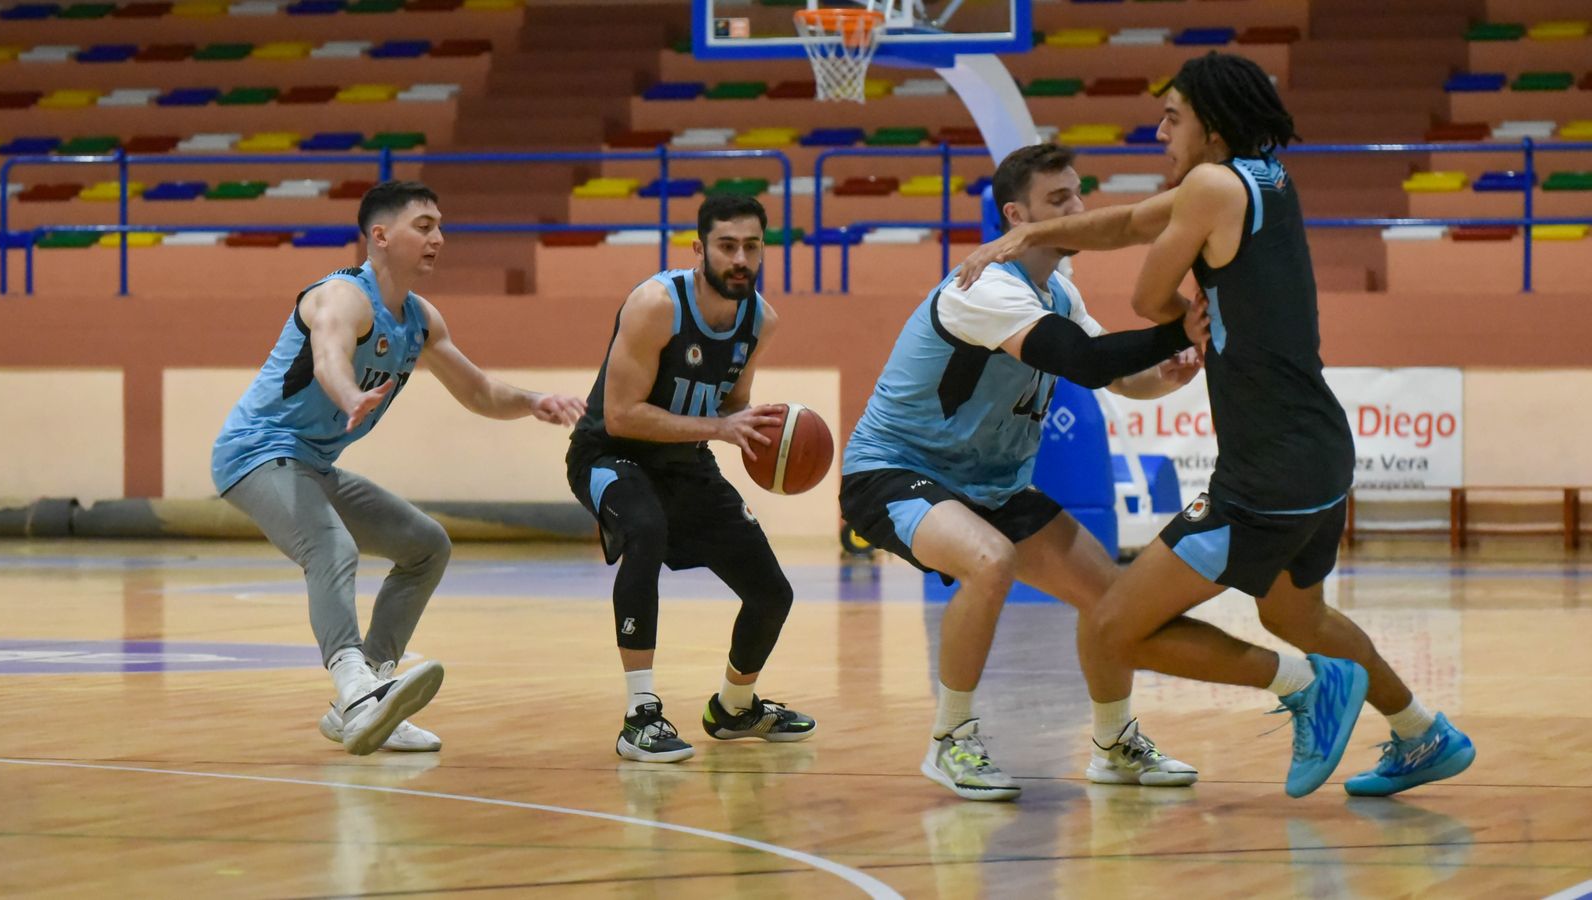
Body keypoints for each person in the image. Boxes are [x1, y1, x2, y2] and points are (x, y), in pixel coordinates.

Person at [957, 52, 1475, 798]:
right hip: (1318, 452)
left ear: (1213, 125)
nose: (1160, 129)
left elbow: (1146, 292)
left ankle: (1307, 688)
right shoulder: (1264, 179)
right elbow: (1133, 220)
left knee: (1111, 626)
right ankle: (1422, 731)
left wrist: (1185, 318)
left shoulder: (1207, 185)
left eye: (1173, 117)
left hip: (1264, 467)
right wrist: (1026, 240)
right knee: (1299, 613)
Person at [841, 143, 1210, 801]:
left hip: (992, 485)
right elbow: (1086, 361)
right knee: (989, 561)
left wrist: (1168, 375)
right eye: (1058, 201)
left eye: (1077, 195)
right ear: (1017, 215)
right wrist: (1182, 328)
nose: (1076, 209)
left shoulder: (1059, 290)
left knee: (1112, 598)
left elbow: (1118, 378)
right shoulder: (984, 286)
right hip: (895, 470)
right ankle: (949, 741)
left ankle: (1114, 743)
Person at [212, 180, 585, 755]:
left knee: (425, 546)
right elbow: (330, 355)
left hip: (310, 462)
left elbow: (480, 390)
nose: (439, 237)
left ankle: (371, 694)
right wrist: (345, 395)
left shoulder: (418, 319)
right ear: (380, 236)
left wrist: (534, 401)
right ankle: (354, 686)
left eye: (440, 225)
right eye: (425, 225)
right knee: (331, 548)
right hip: (255, 451)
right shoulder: (342, 297)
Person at [566, 194, 815, 763]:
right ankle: (640, 715)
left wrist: (760, 434)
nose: (741, 259)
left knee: (772, 592)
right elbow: (622, 414)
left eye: (752, 246)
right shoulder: (656, 304)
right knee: (646, 531)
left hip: (686, 461)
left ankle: (735, 708)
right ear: (700, 250)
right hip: (609, 455)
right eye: (727, 246)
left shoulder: (760, 319)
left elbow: (734, 405)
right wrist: (718, 427)